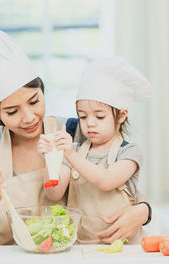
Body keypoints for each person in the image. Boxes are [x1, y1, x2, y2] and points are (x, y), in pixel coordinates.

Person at [0, 29, 151, 245]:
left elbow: (120, 186)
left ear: (43, 91)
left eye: (34, 101)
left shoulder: (79, 132)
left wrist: (143, 211)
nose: (29, 118)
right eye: (12, 112)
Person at [38, 57, 152, 244]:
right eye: (82, 116)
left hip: (124, 246)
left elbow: (106, 181)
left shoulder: (130, 152)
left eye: (99, 116)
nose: (90, 123)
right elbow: (54, 193)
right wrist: (50, 158)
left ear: (122, 115)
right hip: (81, 245)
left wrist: (70, 155)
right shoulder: (74, 150)